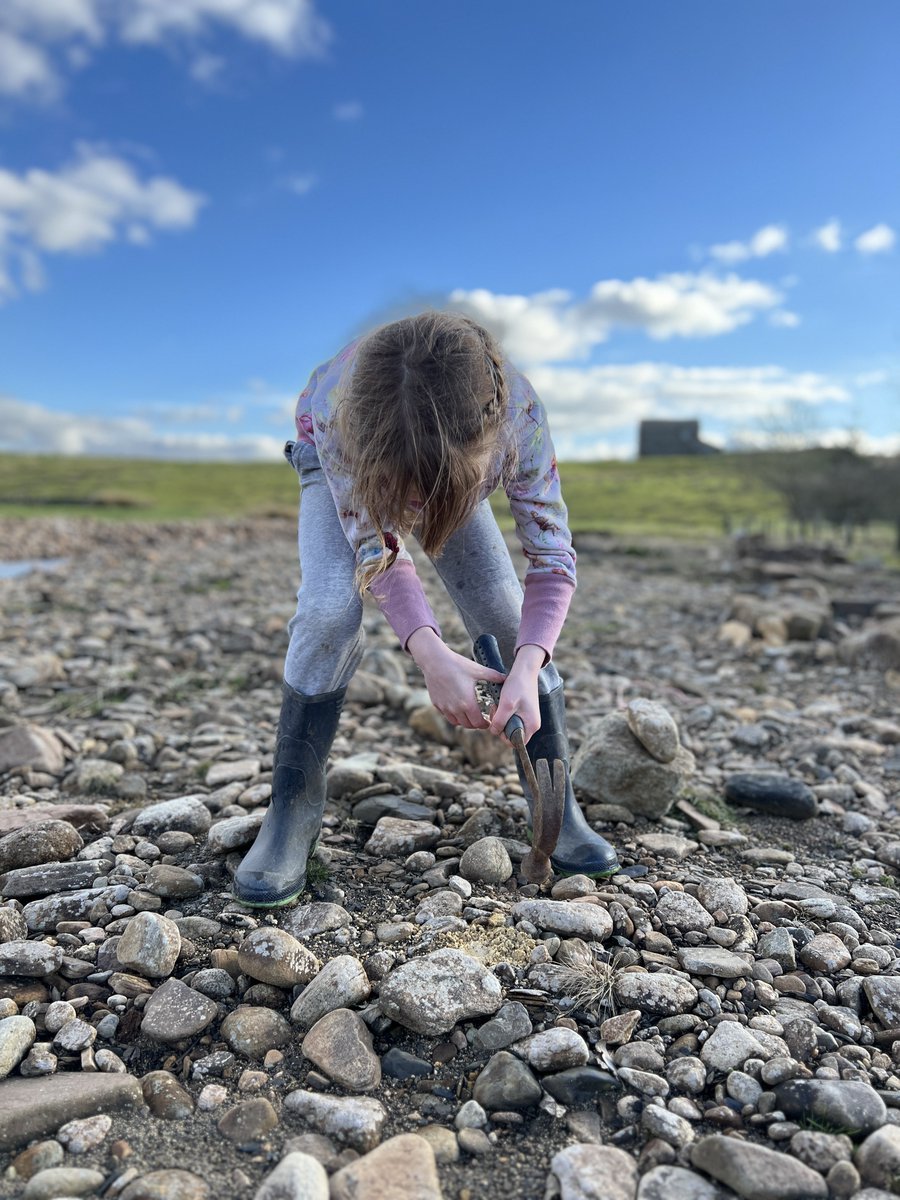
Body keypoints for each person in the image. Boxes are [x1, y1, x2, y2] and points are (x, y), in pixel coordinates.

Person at [233, 311, 619, 907]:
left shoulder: (517, 417)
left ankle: (554, 804)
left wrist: (527, 663)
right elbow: (377, 549)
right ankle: (292, 811)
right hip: (350, 463)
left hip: (459, 466)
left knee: (505, 610)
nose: (414, 506)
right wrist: (431, 655)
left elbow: (551, 558)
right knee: (328, 612)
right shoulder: (338, 412)